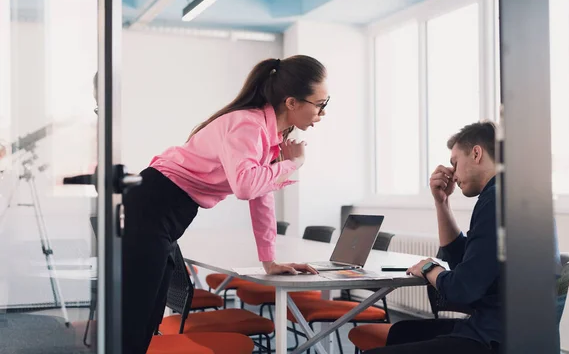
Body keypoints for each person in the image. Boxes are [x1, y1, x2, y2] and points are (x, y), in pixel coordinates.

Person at [122, 55, 328, 353]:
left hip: (166, 207)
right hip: (155, 202)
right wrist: (292, 164)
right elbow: (246, 186)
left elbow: (260, 194)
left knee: (147, 315)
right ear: (292, 102)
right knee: (136, 317)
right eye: (321, 103)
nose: (322, 113)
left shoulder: (267, 134)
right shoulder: (249, 125)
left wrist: (268, 261)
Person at [367, 121, 502, 354]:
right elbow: (460, 259)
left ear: (477, 153)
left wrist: (429, 267)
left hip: (490, 339)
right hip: (502, 329)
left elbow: (462, 288)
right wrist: (442, 202)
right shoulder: (505, 195)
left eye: (455, 163)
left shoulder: (495, 203)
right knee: (401, 332)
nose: (454, 175)